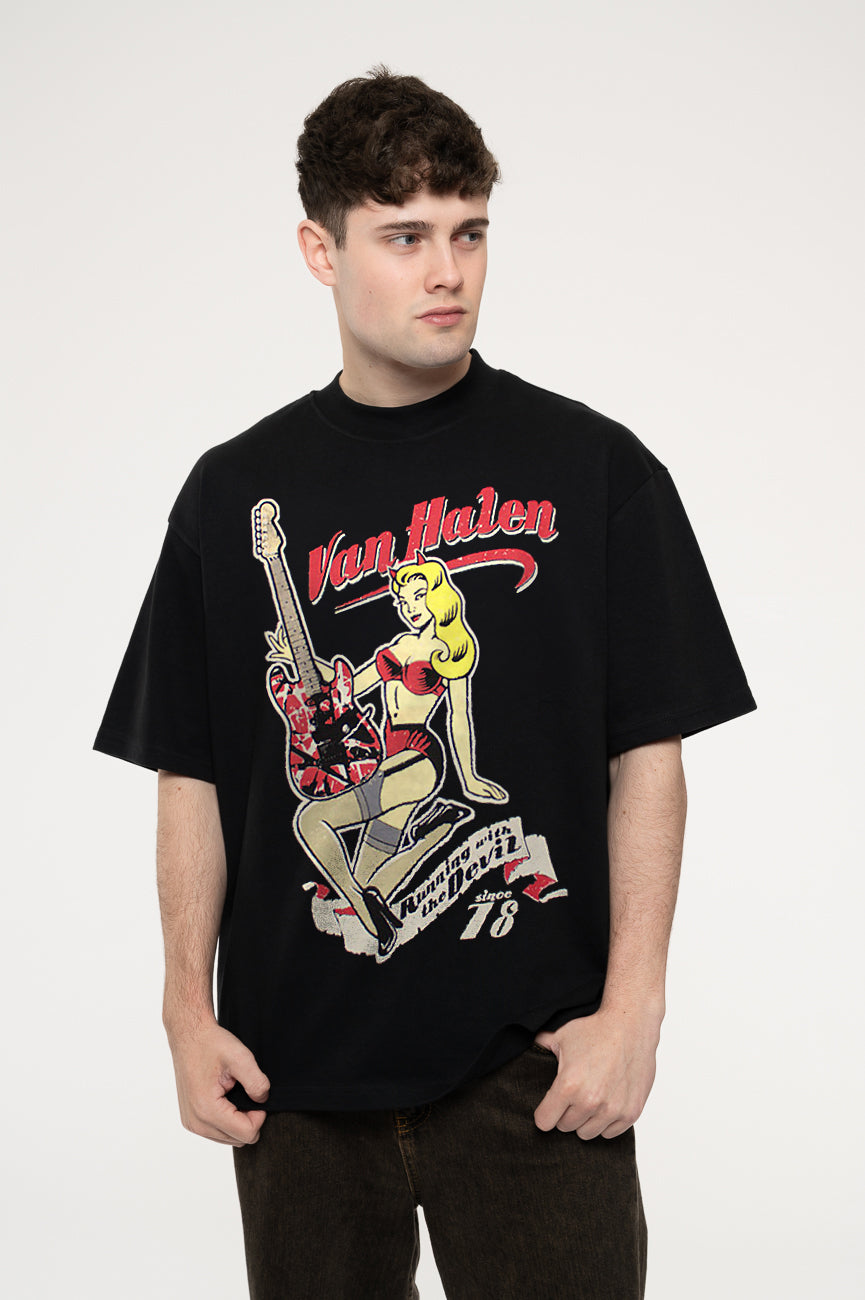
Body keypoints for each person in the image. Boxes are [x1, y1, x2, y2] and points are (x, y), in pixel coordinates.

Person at [94, 66, 756, 1299]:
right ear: (321, 250)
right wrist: (186, 1010)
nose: (447, 270)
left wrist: (633, 1013)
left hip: (533, 1072)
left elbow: (649, 757)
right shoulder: (230, 493)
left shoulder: (597, 470)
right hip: (296, 1082)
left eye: (469, 232)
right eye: (404, 237)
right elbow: (190, 769)